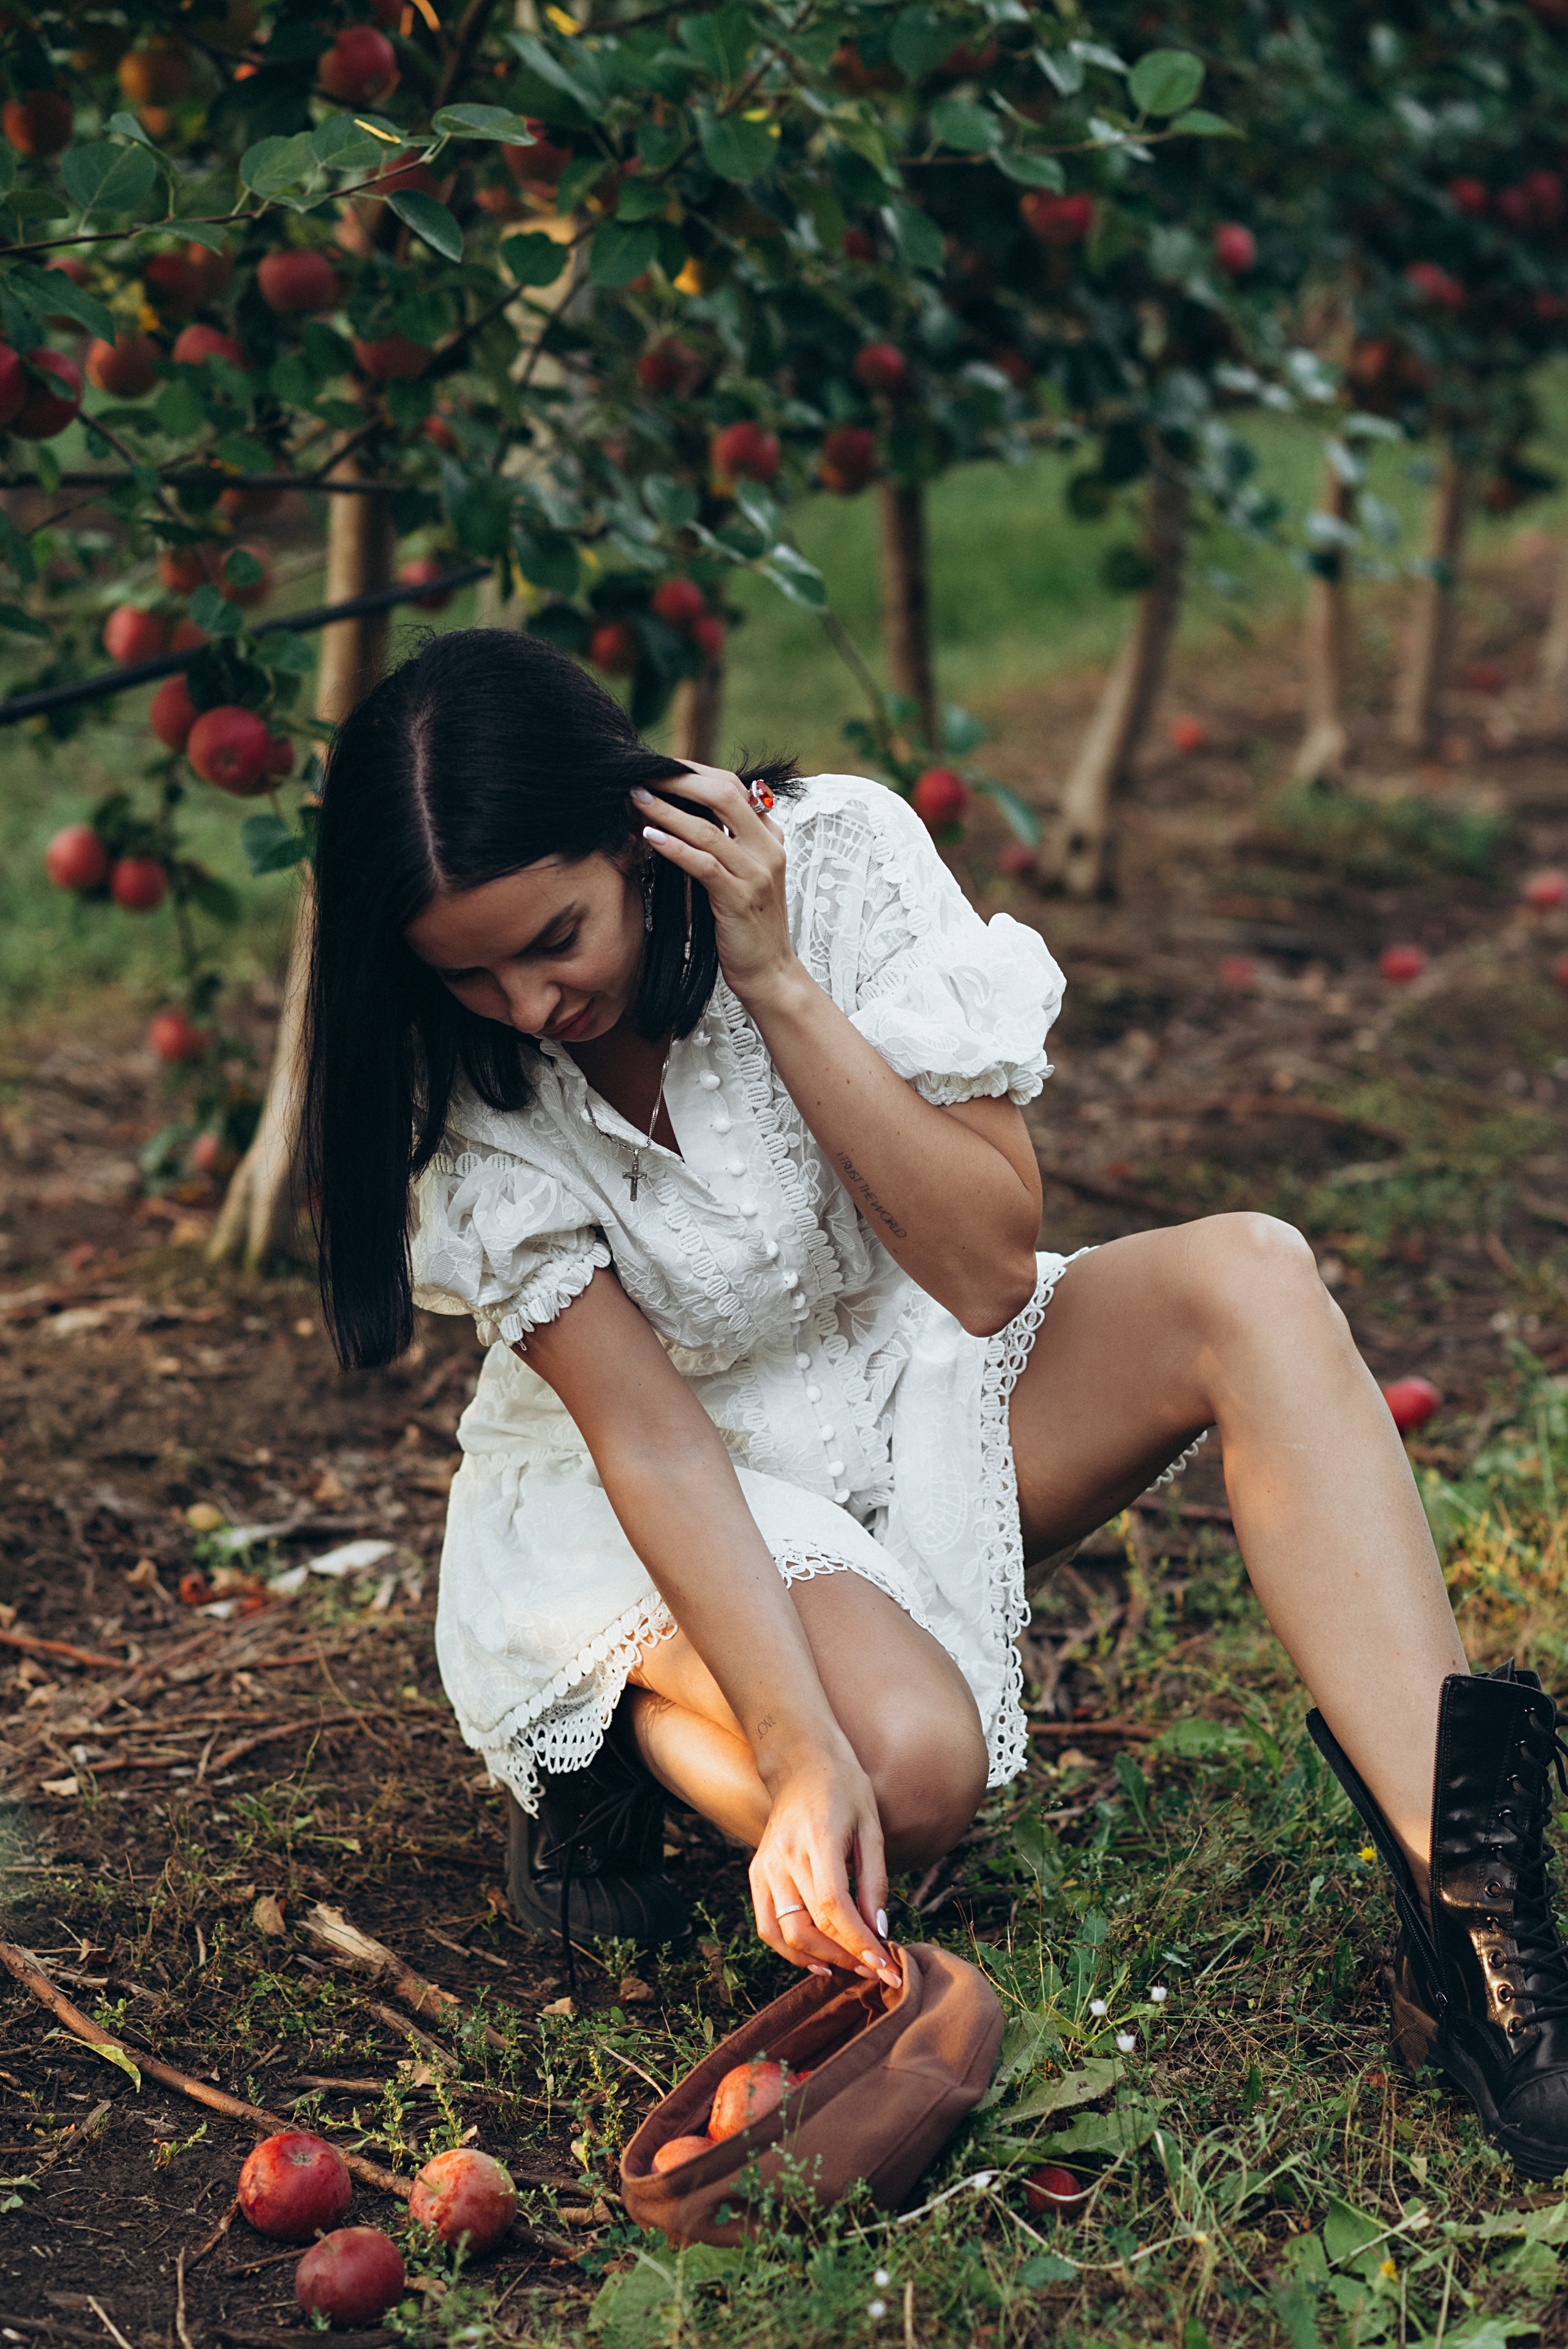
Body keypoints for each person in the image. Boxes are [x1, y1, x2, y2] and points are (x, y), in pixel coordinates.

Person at [305, 627, 1568, 2176]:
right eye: (469, 972)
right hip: (665, 1479)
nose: (523, 1000)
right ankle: (607, 1750)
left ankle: (1475, 1918)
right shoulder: (461, 1079)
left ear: (645, 833)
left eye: (552, 937)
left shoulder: (835, 865)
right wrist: (799, 1751)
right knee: (903, 1776)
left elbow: (980, 1267)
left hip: (913, 1375)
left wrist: (771, 977)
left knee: (1249, 1276)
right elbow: (648, 1436)